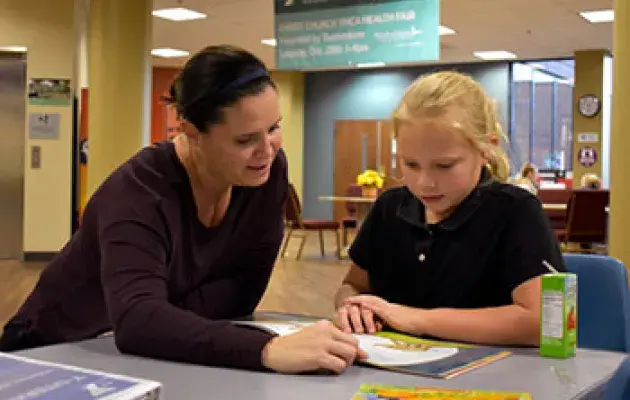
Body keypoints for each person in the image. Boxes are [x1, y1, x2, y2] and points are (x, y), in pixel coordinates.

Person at [1, 45, 365, 375]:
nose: (267, 150)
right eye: (245, 139)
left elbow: (242, 294)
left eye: (274, 128)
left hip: (148, 356)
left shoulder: (265, 175)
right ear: (191, 131)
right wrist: (266, 349)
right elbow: (138, 322)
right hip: (50, 353)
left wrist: (165, 318)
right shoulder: (137, 193)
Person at [334, 71, 565, 347]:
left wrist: (415, 319)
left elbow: (545, 323)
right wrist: (352, 307)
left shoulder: (515, 211)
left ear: (486, 150)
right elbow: (354, 286)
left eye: (445, 166)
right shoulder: (389, 208)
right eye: (410, 164)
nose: (425, 183)